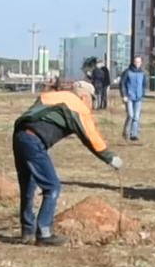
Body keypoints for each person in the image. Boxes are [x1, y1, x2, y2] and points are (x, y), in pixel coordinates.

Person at [9, 79, 123, 245]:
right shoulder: (76, 105)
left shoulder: (55, 97)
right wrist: (110, 158)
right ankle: (44, 234)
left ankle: (28, 231)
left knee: (28, 184)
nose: (92, 103)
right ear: (84, 97)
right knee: (52, 187)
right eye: (92, 98)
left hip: (20, 136)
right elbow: (90, 137)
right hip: (34, 141)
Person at [119, 55, 149, 141]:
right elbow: (122, 84)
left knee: (136, 117)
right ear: (133, 62)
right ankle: (126, 131)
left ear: (141, 63)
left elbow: (144, 84)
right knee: (130, 115)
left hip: (138, 97)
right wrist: (124, 95)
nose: (137, 63)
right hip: (129, 97)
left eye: (139, 62)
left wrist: (143, 94)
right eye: (136, 61)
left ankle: (134, 134)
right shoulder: (127, 72)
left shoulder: (143, 73)